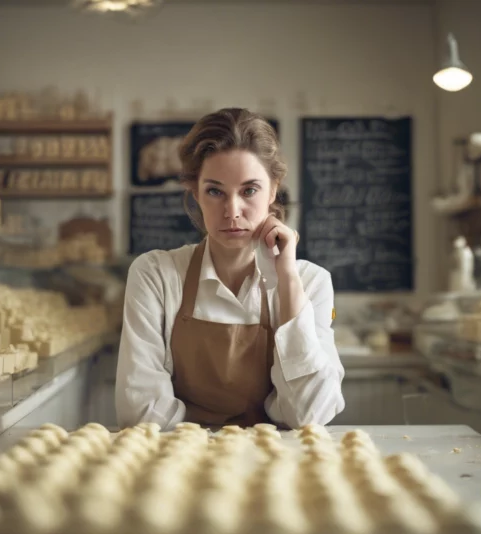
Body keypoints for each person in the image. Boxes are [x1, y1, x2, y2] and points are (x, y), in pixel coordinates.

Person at [116, 108, 344, 429]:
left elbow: (309, 415)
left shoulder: (311, 281)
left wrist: (288, 280)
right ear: (195, 193)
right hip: (181, 464)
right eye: (215, 191)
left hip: (279, 466)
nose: (232, 211)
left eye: (249, 190)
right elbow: (141, 412)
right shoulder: (156, 275)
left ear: (273, 190)